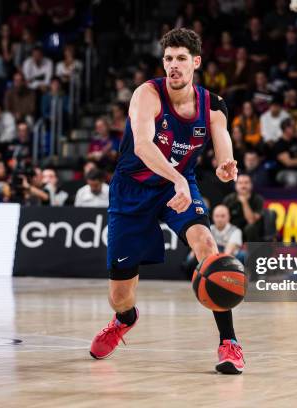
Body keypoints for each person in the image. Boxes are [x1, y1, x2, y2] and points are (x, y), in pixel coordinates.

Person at [89, 28, 244, 374]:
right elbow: (143, 146)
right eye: (169, 59)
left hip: (179, 186)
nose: (174, 66)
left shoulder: (213, 106)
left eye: (181, 59)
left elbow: (223, 148)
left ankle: (229, 343)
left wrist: (225, 167)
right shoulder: (147, 94)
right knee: (120, 295)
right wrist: (176, 179)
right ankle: (124, 320)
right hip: (133, 190)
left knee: (207, 246)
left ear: (196, 63)